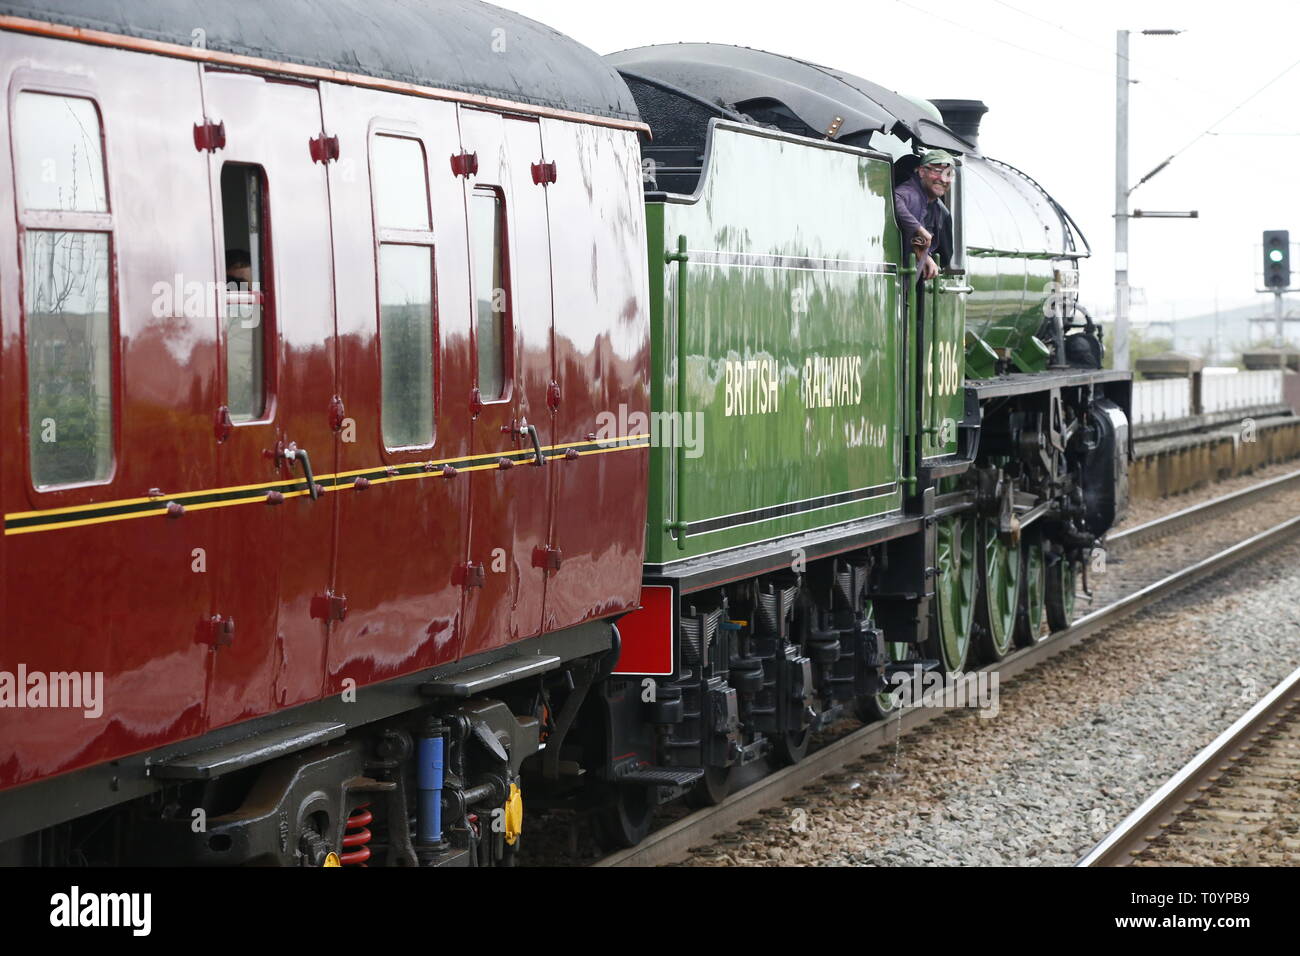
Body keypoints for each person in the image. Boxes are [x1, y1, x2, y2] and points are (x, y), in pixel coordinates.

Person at [893, 149, 955, 281]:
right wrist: (918, 229)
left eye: (948, 174)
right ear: (922, 172)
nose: (943, 179)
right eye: (937, 171)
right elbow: (894, 199)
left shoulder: (936, 207)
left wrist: (927, 256)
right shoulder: (909, 194)